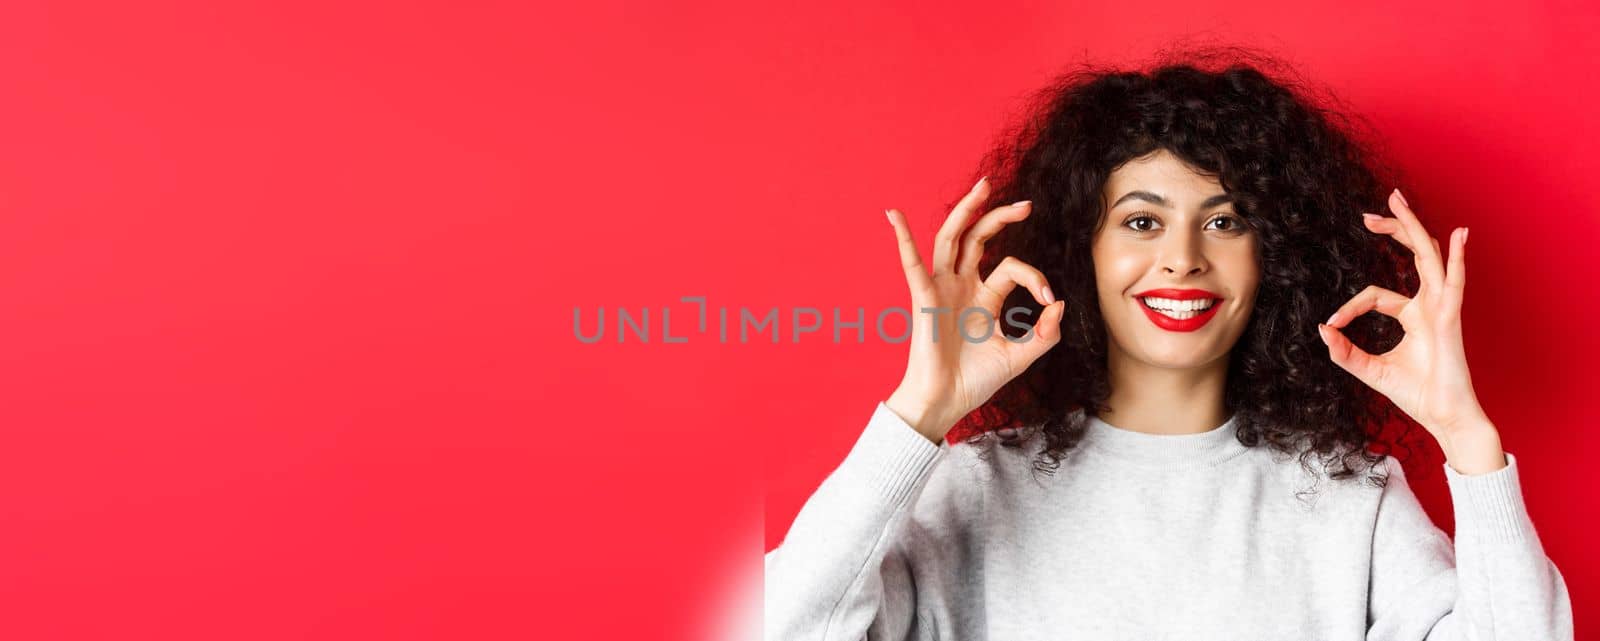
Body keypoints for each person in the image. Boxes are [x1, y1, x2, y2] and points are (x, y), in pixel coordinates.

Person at [763, 52, 1574, 641]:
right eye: (1142, 221)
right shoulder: (973, 489)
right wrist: (916, 417)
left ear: (1276, 257)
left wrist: (1470, 443)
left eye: (1225, 221)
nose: (1183, 256)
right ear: (1080, 248)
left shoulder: (1348, 499)